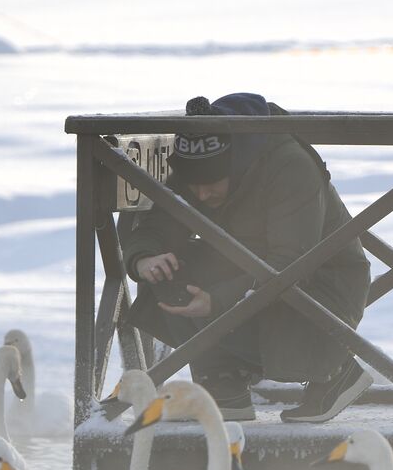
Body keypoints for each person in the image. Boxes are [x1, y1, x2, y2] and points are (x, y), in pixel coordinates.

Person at [121, 93, 373, 423]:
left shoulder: (290, 166)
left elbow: (292, 266)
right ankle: (223, 383)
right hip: (247, 268)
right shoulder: (200, 163)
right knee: (167, 272)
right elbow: (157, 225)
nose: (201, 194)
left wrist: (217, 300)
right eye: (193, 185)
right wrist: (144, 259)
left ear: (236, 163)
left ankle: (337, 367)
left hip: (324, 289)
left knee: (260, 289)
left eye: (211, 184)